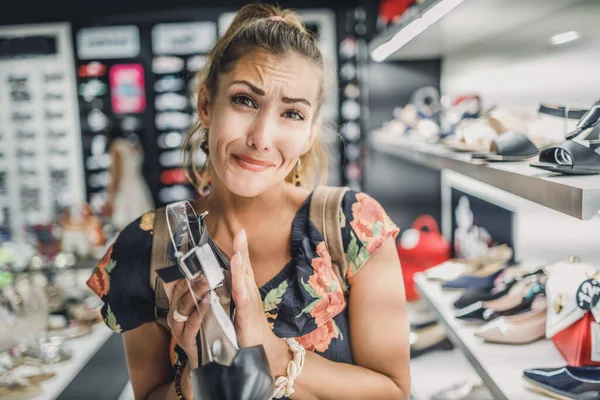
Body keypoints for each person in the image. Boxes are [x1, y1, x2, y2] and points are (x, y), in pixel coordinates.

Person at [87, 4, 410, 399]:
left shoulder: (355, 225)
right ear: (206, 105)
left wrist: (274, 353)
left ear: (310, 132)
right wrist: (196, 375)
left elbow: (394, 392)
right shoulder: (143, 247)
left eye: (292, 113)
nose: (261, 137)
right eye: (244, 101)